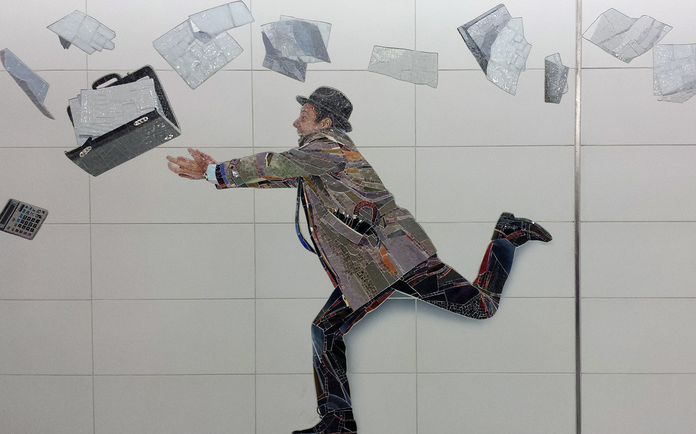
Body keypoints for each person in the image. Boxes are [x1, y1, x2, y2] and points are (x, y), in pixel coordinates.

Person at [166, 86, 552, 434]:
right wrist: (213, 176)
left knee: (481, 307)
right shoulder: (318, 158)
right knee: (326, 330)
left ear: (326, 122)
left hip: (398, 257)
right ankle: (338, 421)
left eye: (304, 115)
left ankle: (507, 235)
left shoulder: (328, 148)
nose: (296, 122)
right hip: (371, 269)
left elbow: (275, 164)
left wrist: (215, 171)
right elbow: (280, 176)